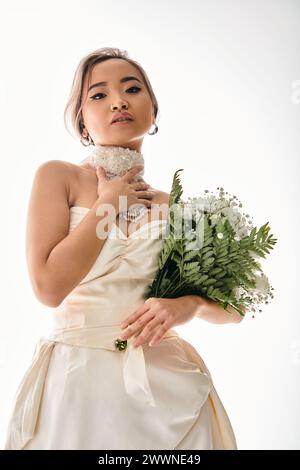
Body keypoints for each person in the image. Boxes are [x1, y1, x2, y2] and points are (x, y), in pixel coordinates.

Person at [4, 47, 244, 450]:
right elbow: (48, 288)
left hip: (168, 391)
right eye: (98, 95)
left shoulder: (178, 208)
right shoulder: (57, 177)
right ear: (82, 121)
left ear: (153, 109)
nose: (118, 100)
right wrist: (109, 203)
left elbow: (236, 306)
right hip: (78, 387)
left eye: (132, 88)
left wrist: (190, 306)